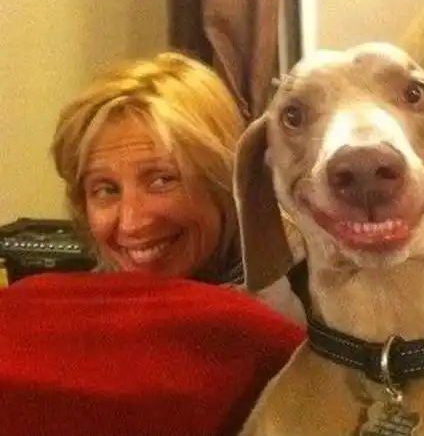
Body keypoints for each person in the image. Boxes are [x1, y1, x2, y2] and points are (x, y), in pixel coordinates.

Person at [50, 51, 306, 323]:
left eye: (161, 181)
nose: (131, 223)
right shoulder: (74, 318)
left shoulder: (310, 312)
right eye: (106, 190)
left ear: (224, 181)